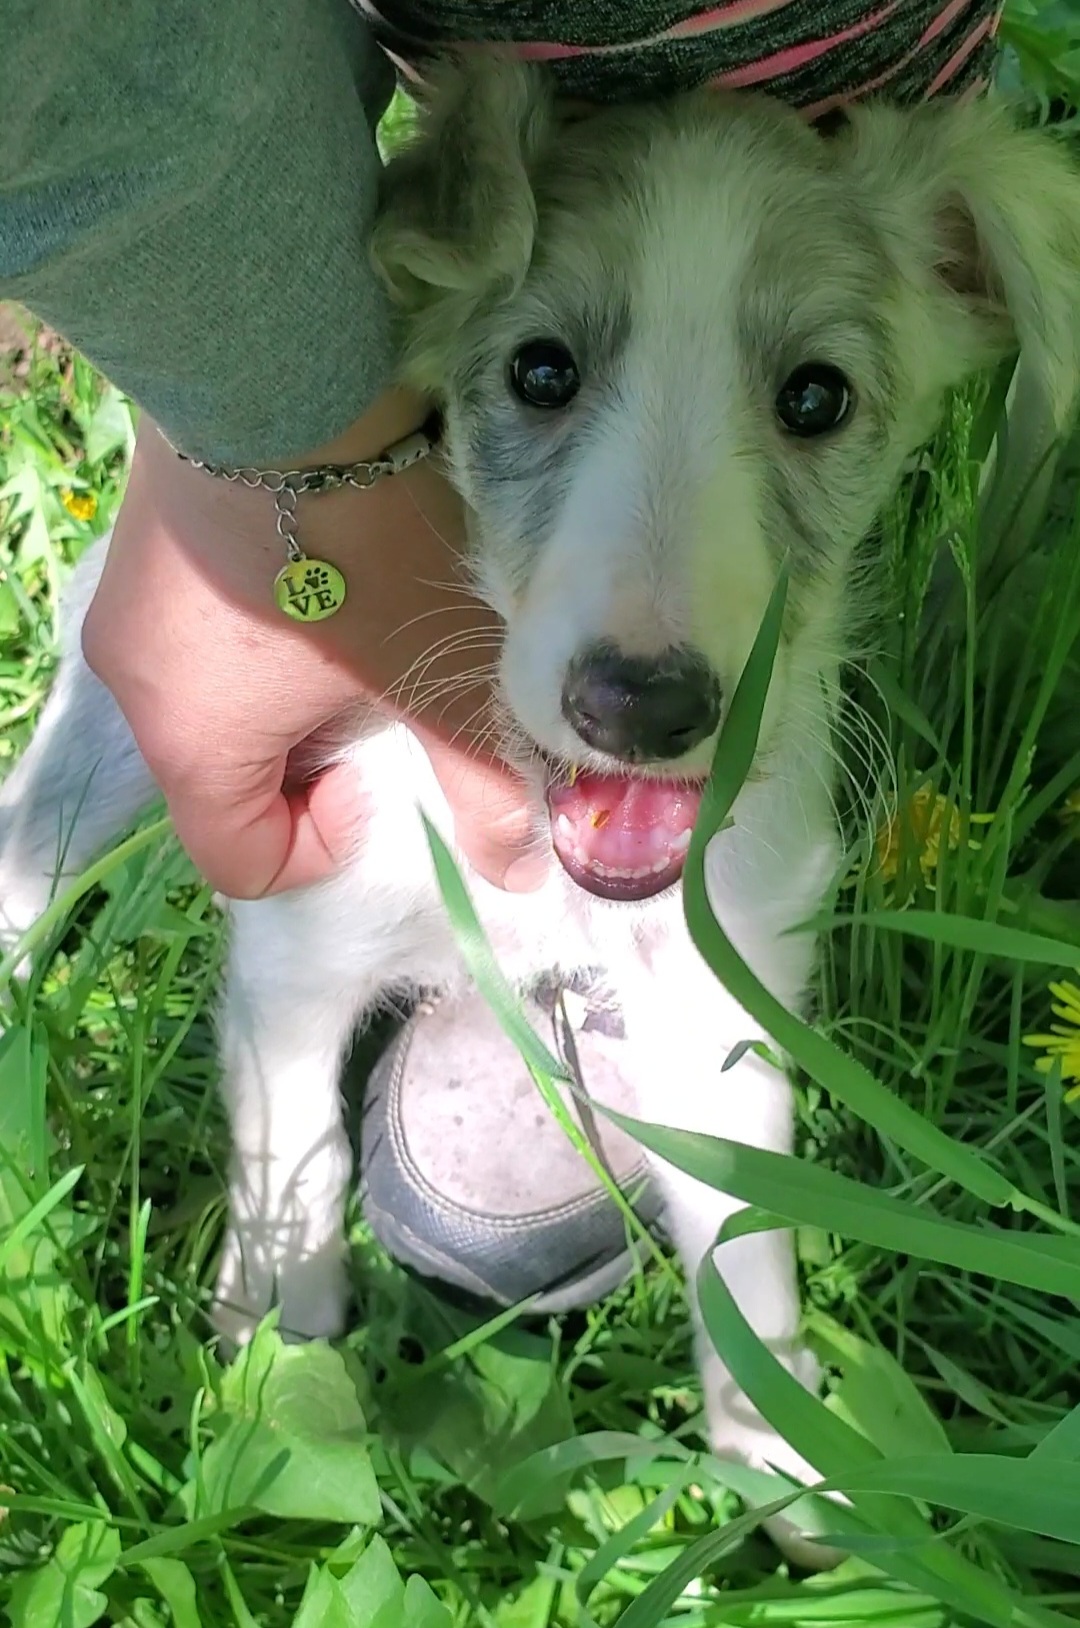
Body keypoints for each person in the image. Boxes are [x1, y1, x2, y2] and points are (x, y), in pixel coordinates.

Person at [1, 1, 1002, 1312]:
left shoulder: (921, 232)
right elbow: (291, 989)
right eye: (543, 375)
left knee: (706, 1019)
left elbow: (732, 1061)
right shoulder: (456, 244)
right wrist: (277, 1285)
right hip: (312, 441)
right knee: (118, 828)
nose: (651, 649)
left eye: (810, 399)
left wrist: (763, 1390)